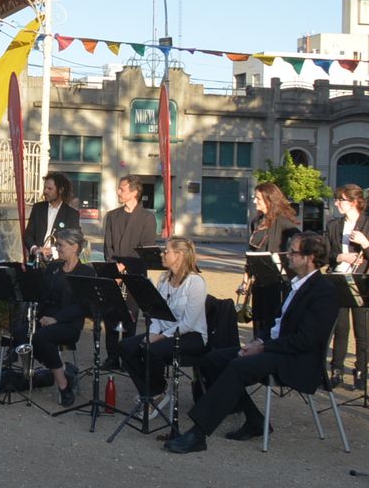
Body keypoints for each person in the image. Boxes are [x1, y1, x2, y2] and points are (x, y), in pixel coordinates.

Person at [165, 232, 338, 453]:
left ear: (310, 257)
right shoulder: (294, 285)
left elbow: (305, 340)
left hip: (297, 359)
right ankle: (254, 419)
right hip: (276, 349)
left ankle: (198, 434)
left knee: (238, 366)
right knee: (212, 358)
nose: (287, 257)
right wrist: (257, 341)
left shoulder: (324, 291)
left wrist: (262, 347)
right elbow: (277, 324)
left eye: (293, 252)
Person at [119, 236, 207, 408]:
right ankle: (152, 390)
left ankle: (155, 391)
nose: (162, 255)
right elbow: (156, 312)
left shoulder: (195, 282)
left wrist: (160, 337)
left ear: (179, 255)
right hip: (164, 332)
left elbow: (188, 323)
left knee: (153, 349)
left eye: (166, 251)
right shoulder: (163, 279)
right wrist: (152, 332)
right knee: (126, 346)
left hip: (191, 336)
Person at [29, 228, 94, 407]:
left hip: (68, 324)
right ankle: (61, 370)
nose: (57, 248)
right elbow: (41, 294)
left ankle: (63, 385)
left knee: (41, 338)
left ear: (74, 247)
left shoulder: (86, 273)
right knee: (20, 334)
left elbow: (82, 306)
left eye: (61, 245)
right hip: (45, 319)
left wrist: (55, 319)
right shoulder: (54, 267)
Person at [325, 183, 369, 392]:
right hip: (339, 279)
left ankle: (360, 372)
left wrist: (366, 244)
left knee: (362, 330)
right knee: (340, 329)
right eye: (336, 199)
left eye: (341, 200)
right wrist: (341, 256)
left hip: (363, 282)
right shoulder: (333, 226)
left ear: (355, 202)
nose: (337, 203)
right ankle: (336, 370)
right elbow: (326, 255)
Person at [101, 174, 157, 367]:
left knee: (130, 315)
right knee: (110, 315)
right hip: (113, 273)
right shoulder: (112, 216)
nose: (118, 191)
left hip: (134, 274)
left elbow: (146, 249)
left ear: (134, 192)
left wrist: (125, 267)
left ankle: (128, 355)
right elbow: (108, 246)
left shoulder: (147, 218)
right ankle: (112, 355)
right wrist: (113, 268)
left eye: (122, 188)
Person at [240, 181, 299, 341]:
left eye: (257, 198)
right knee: (258, 321)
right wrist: (245, 279)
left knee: (272, 322)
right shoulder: (256, 221)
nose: (254, 201)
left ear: (269, 200)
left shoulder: (283, 221)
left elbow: (300, 240)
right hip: (259, 281)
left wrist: (286, 257)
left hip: (277, 282)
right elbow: (251, 252)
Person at [24, 172, 81, 264]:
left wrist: (54, 251)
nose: (45, 191)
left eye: (50, 189)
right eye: (45, 188)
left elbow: (76, 241)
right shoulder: (37, 208)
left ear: (61, 190)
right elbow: (28, 235)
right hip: (36, 261)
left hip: (59, 263)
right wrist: (35, 250)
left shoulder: (72, 214)